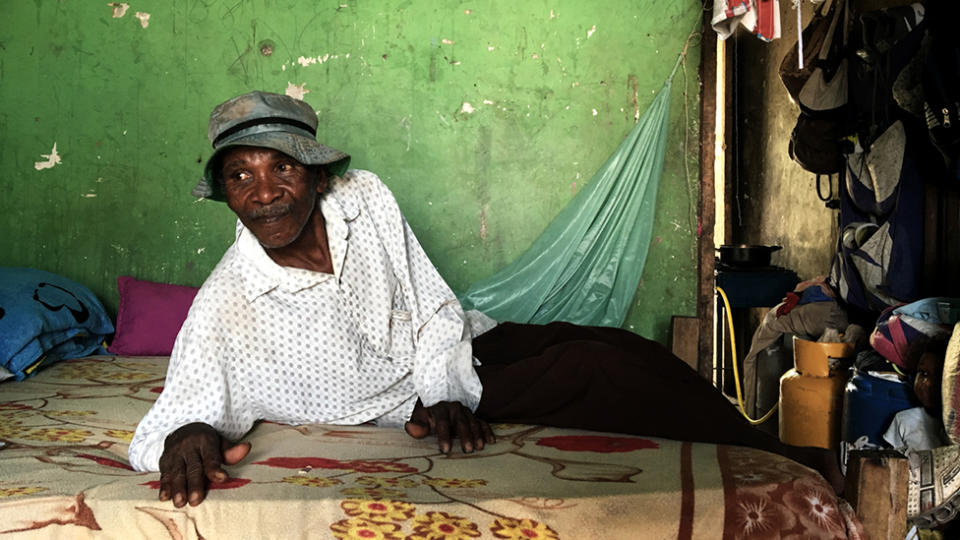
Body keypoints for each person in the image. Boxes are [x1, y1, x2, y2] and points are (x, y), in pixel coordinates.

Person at [128, 91, 843, 508]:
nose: (263, 191)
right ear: (223, 193)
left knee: (611, 342)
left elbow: (432, 301)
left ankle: (768, 446)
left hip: (451, 347)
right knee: (593, 370)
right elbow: (169, 421)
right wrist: (185, 435)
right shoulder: (230, 298)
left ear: (316, 175)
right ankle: (788, 459)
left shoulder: (364, 200)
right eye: (239, 176)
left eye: (280, 166)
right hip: (395, 401)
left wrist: (447, 387)